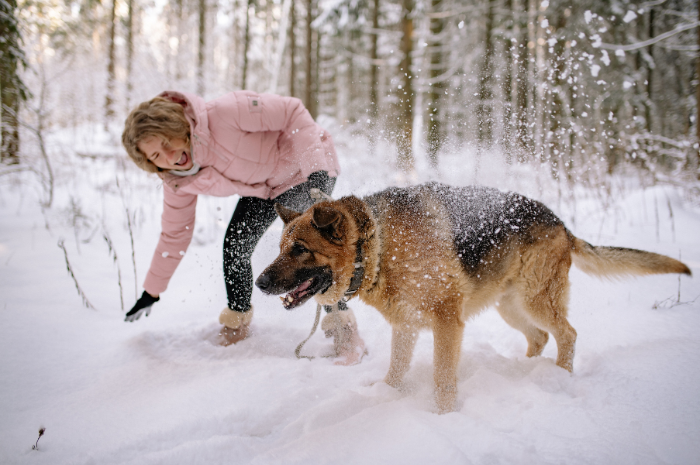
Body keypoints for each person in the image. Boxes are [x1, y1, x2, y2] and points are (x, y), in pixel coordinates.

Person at [121, 90, 365, 359]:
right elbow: (174, 234)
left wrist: (316, 171)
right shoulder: (178, 180)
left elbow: (292, 111)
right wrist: (151, 292)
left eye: (168, 141)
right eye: (156, 155)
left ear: (178, 125)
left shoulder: (224, 113)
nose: (168, 156)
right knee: (236, 244)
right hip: (265, 188)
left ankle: (343, 327)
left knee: (315, 246)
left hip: (304, 169)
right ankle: (237, 322)